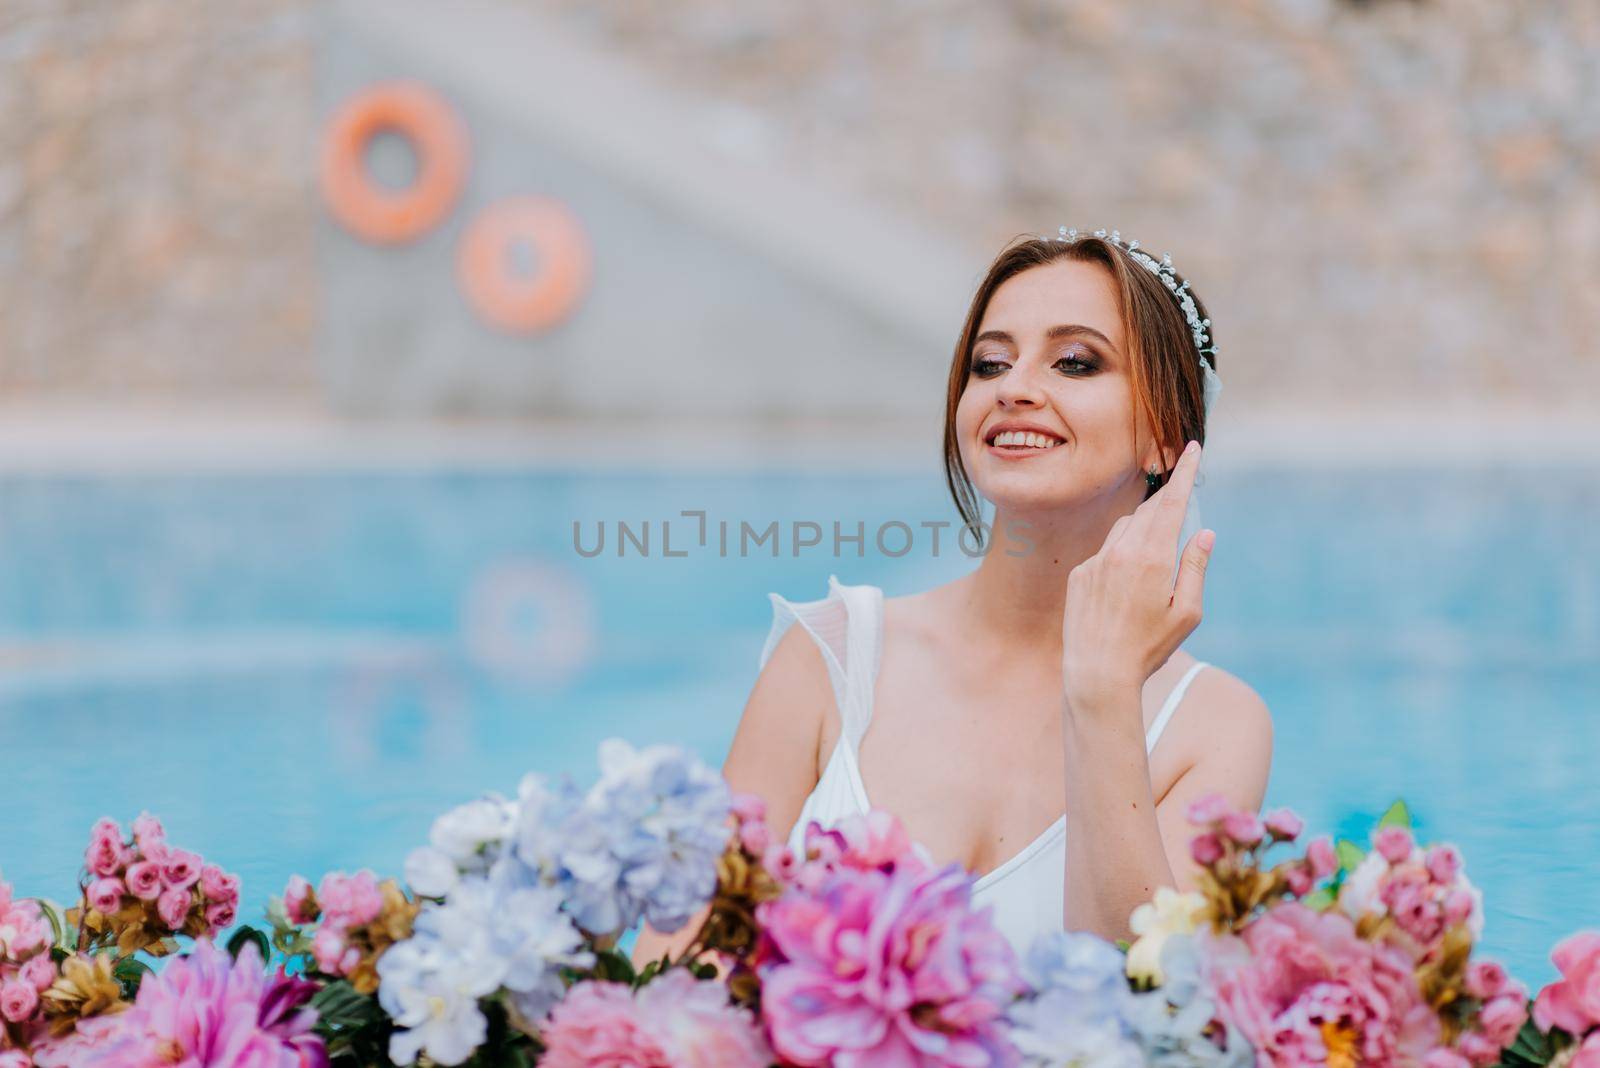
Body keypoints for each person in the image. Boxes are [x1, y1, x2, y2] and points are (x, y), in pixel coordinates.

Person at [632, 228, 1273, 967]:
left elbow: (1145, 1004)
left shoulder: (1217, 726)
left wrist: (1102, 694)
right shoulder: (832, 659)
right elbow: (666, 981)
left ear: (1166, 434)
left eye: (1074, 361)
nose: (1013, 388)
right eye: (989, 363)